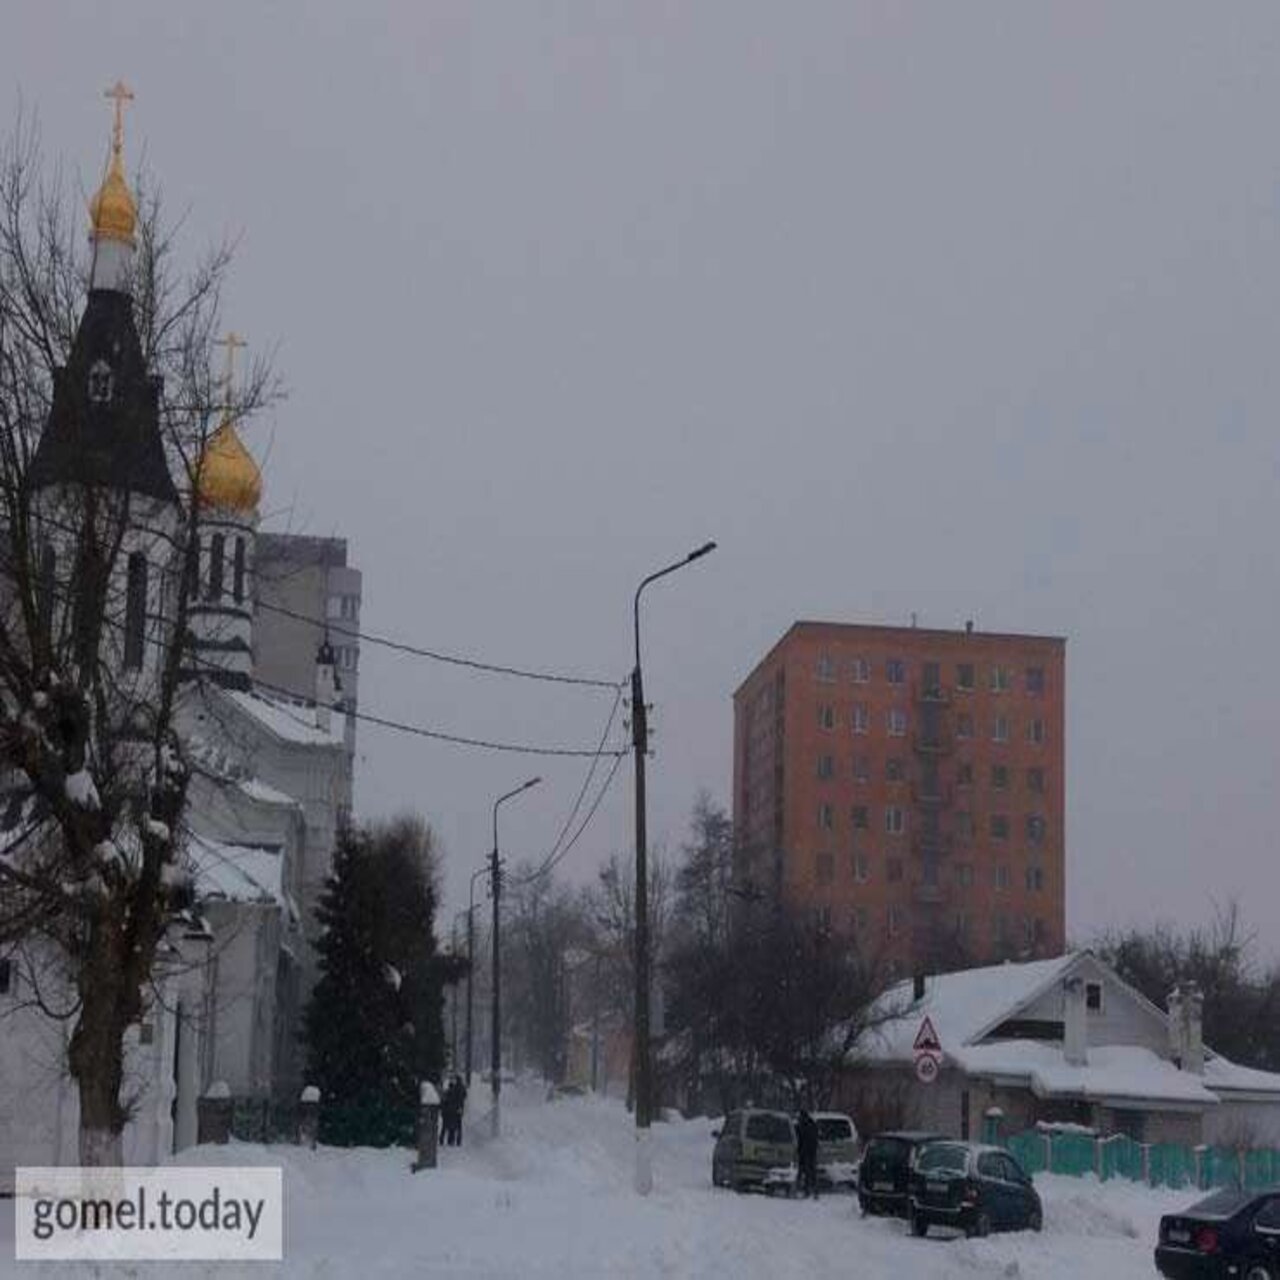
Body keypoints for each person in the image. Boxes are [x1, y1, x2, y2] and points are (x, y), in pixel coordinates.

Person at [795, 1109, 819, 1199]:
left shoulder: (802, 1125)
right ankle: (813, 1191)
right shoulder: (812, 1124)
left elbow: (800, 1138)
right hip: (811, 1152)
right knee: (811, 1173)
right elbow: (815, 1138)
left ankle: (805, 1190)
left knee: (803, 1172)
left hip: (805, 1152)